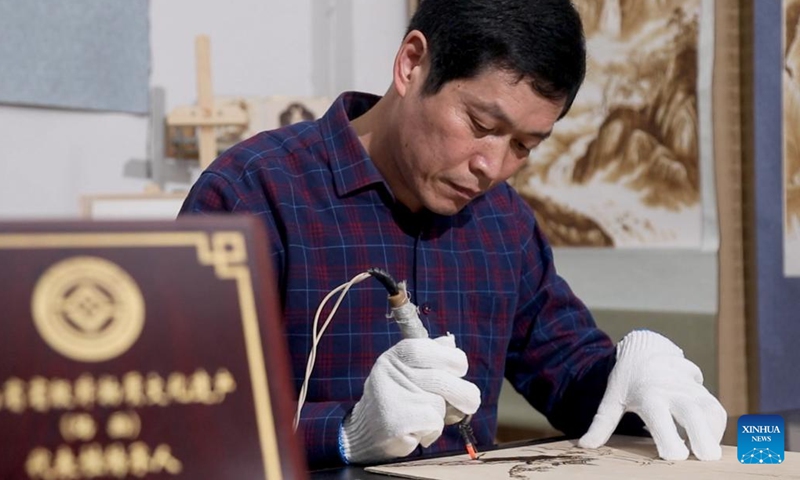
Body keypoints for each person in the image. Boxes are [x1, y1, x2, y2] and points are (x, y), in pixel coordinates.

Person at [180, 0, 727, 468]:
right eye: (482, 126)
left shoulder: (502, 222)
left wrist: (627, 382)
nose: (492, 166)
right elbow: (184, 415)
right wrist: (343, 433)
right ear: (412, 63)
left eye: (524, 147)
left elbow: (567, 369)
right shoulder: (252, 194)